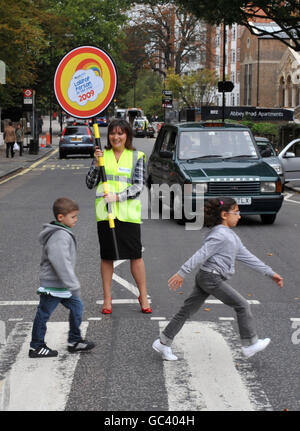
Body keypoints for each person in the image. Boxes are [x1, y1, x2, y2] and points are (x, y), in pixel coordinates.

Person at [152, 197, 283, 361]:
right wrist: (182, 272)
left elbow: (247, 257)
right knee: (242, 305)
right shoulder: (221, 235)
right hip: (211, 278)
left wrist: (270, 273)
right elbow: (201, 253)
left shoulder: (230, 236)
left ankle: (163, 342)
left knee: (187, 310)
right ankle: (249, 344)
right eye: (236, 212)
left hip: (206, 276)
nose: (239, 216)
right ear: (224, 214)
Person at [86, 119, 152, 315]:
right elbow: (90, 183)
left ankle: (143, 295)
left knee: (136, 256)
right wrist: (97, 165)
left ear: (127, 136)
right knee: (107, 257)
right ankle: (107, 298)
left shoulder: (137, 156)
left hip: (128, 214)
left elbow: (139, 185)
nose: (116, 137)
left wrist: (118, 197)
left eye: (120, 133)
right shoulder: (101, 155)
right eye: (113, 133)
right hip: (105, 214)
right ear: (108, 136)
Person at [29, 197, 95, 358]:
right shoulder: (59, 235)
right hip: (53, 285)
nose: (76, 219)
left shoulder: (62, 233)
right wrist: (72, 283)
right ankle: (36, 346)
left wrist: (69, 284)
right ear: (61, 217)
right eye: (73, 217)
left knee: (77, 307)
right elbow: (60, 262)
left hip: (63, 286)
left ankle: (74, 341)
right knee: (44, 313)